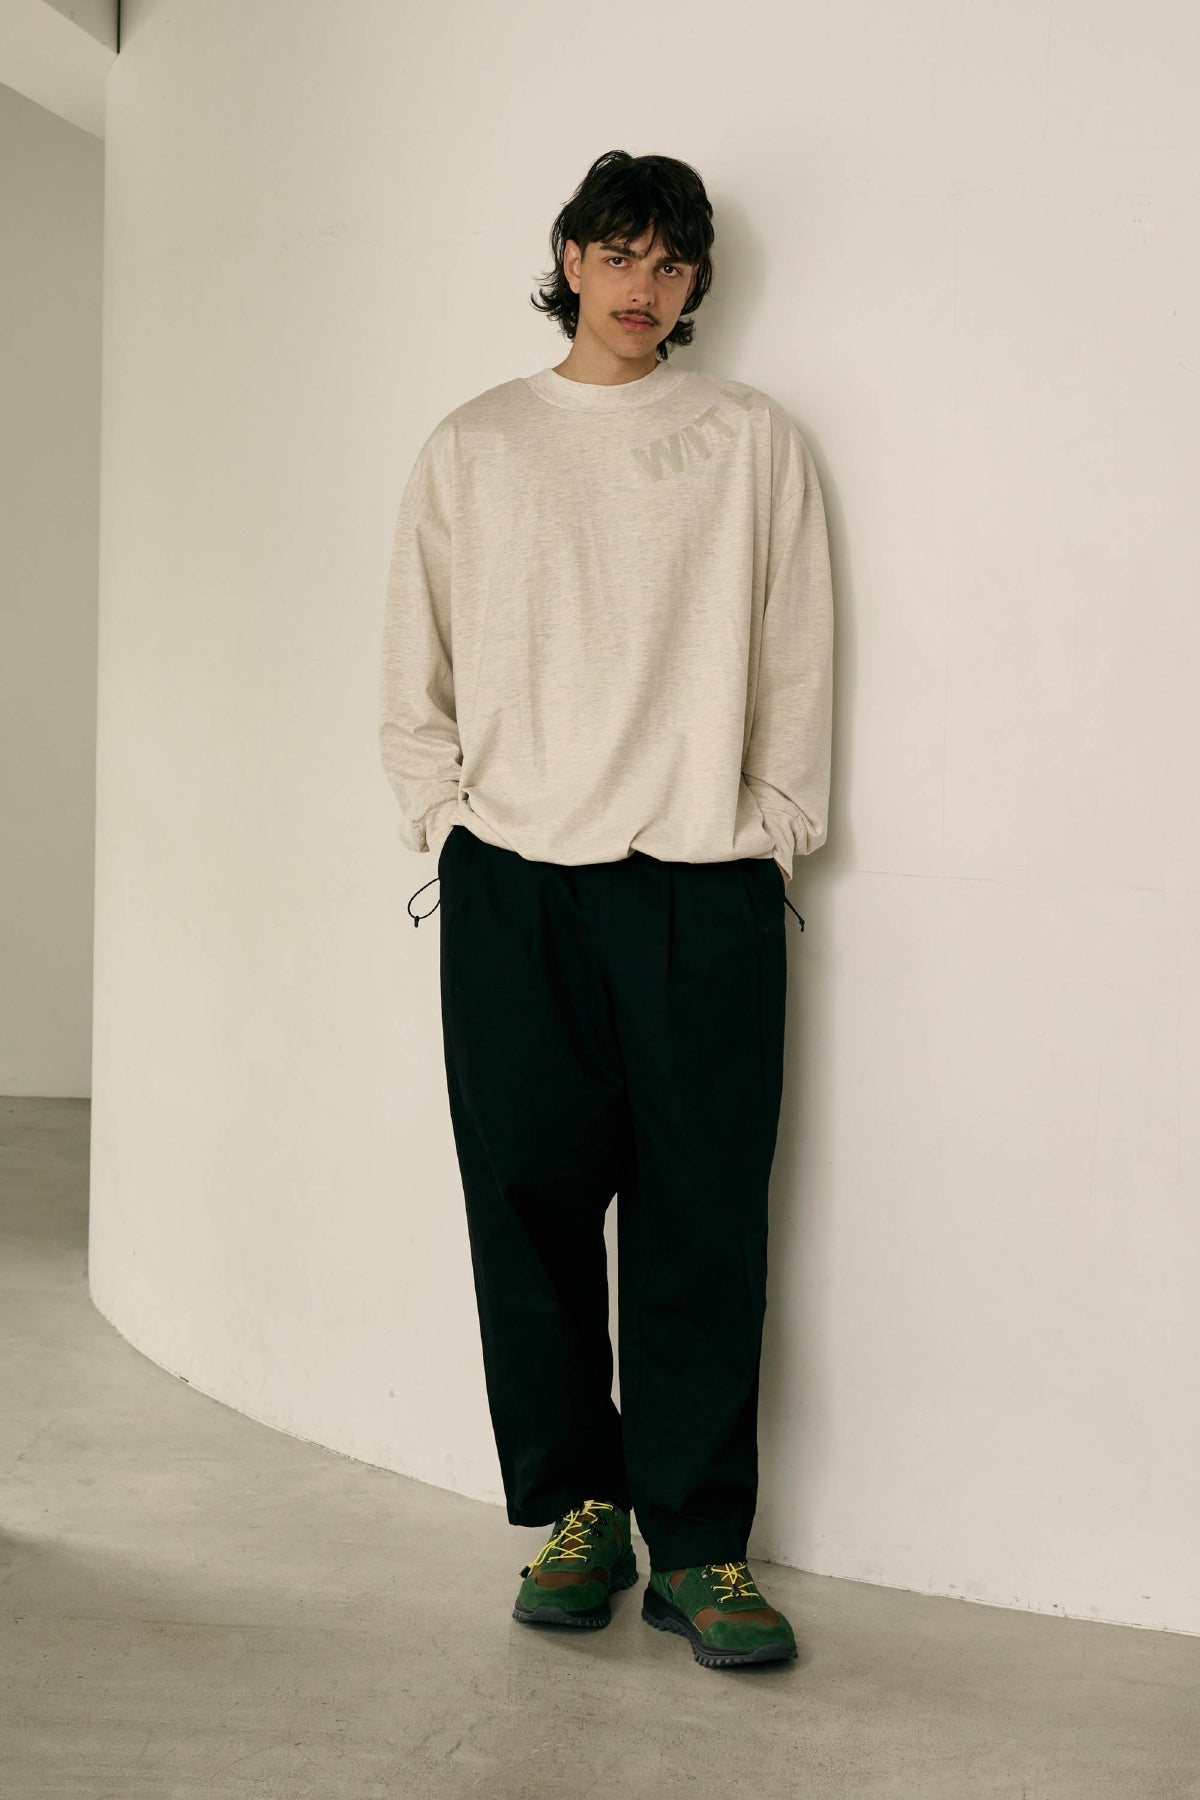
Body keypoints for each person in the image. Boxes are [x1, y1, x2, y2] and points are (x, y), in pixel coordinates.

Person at [378, 148, 833, 1670]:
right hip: (514, 885)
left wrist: (772, 831)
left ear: (696, 282)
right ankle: (581, 1511)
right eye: (621, 254)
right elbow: (413, 671)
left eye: (674, 262)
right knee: (529, 1211)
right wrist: (447, 823)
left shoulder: (747, 440)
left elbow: (796, 653)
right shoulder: (477, 445)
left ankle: (699, 1546)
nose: (647, 287)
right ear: (570, 258)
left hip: (703, 883)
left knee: (706, 1218)